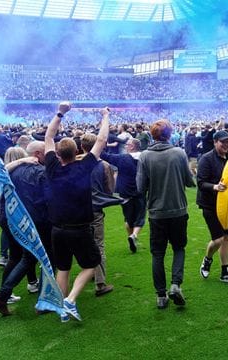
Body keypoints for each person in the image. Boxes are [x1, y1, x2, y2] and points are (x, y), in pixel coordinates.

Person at [44, 103, 109, 322]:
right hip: (79, 229)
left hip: (57, 229)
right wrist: (105, 116)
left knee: (63, 269)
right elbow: (100, 141)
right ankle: (70, 300)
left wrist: (60, 112)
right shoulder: (84, 167)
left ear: (58, 154)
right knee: (91, 264)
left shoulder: (51, 167)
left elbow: (48, 136)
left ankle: (63, 310)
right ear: (77, 152)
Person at [136, 119, 195, 309]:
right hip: (178, 210)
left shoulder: (145, 156)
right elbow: (189, 181)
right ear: (169, 134)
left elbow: (140, 187)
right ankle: (176, 284)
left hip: (156, 213)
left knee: (158, 254)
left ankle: (161, 295)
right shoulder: (179, 153)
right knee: (179, 248)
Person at [0, 142, 52, 316]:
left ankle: (3, 295)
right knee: (45, 257)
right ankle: (43, 301)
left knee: (28, 257)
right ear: (37, 154)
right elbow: (49, 197)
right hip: (39, 220)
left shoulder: (12, 171)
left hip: (19, 219)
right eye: (47, 152)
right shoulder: (40, 171)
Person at [197, 130, 228, 284]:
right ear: (215, 142)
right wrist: (215, 187)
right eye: (222, 142)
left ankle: (225, 271)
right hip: (209, 205)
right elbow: (201, 182)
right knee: (218, 239)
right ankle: (208, 259)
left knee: (226, 237)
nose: (226, 144)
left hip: (227, 205)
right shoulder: (206, 159)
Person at [79, 133, 117, 297]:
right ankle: (100, 283)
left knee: (82, 243)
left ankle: (89, 272)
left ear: (82, 147)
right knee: (98, 245)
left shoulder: (75, 163)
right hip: (94, 209)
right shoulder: (104, 165)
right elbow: (109, 190)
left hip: (76, 209)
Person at [101, 138, 145, 254]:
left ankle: (131, 236)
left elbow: (105, 155)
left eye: (127, 145)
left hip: (125, 192)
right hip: (140, 190)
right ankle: (134, 235)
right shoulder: (145, 157)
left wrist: (103, 140)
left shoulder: (123, 159)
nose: (125, 146)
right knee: (140, 217)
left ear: (132, 147)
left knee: (128, 218)